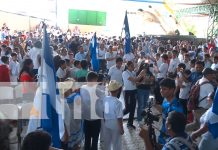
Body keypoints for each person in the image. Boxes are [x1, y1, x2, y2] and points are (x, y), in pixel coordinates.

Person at [156, 78, 184, 145]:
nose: (161, 91)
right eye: (161, 88)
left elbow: (178, 129)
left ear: (172, 90)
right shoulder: (165, 99)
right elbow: (164, 110)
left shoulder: (177, 108)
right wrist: (155, 105)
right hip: (163, 133)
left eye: (164, 89)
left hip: (171, 138)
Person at [80, 72, 101, 150]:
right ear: (93, 80)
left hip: (86, 118)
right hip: (95, 119)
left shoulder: (82, 87)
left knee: (87, 139)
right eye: (96, 80)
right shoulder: (97, 90)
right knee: (95, 139)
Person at [102, 80, 124, 150]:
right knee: (116, 142)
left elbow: (103, 111)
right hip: (115, 123)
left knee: (107, 142)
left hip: (106, 122)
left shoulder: (105, 99)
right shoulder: (118, 102)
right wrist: (121, 128)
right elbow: (119, 117)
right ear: (117, 90)